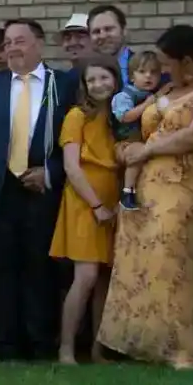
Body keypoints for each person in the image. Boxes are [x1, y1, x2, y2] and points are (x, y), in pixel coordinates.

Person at [97, 25, 193, 369]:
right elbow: (138, 126)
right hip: (143, 187)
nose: (161, 69)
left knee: (176, 262)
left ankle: (185, 349)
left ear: (188, 61)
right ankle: (146, 345)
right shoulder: (170, 88)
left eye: (167, 62)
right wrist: (127, 149)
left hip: (184, 186)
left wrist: (146, 150)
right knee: (141, 264)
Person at [0, 19, 78, 358]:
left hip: (44, 190)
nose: (12, 48)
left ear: (39, 44)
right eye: (7, 42)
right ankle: (4, 343)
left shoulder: (65, 84)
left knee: (40, 268)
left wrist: (51, 172)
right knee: (2, 268)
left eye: (20, 41)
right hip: (0, 191)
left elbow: (77, 140)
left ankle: (40, 342)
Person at [50, 56, 122, 365]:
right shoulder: (77, 116)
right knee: (86, 275)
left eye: (104, 78)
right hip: (85, 200)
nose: (98, 85)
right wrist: (95, 205)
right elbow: (71, 166)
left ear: (116, 80)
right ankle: (66, 348)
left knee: (106, 277)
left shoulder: (121, 118)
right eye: (91, 80)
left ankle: (97, 348)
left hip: (114, 197)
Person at [112, 49, 163, 211]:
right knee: (138, 153)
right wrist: (146, 105)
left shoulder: (152, 94)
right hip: (127, 141)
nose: (148, 76)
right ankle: (127, 193)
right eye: (142, 72)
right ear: (132, 76)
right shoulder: (124, 96)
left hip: (145, 141)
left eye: (153, 72)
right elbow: (125, 117)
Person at [88, 4, 133, 76]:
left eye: (108, 29)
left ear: (124, 30)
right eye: (96, 31)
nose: (102, 36)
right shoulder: (83, 72)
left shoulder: (147, 68)